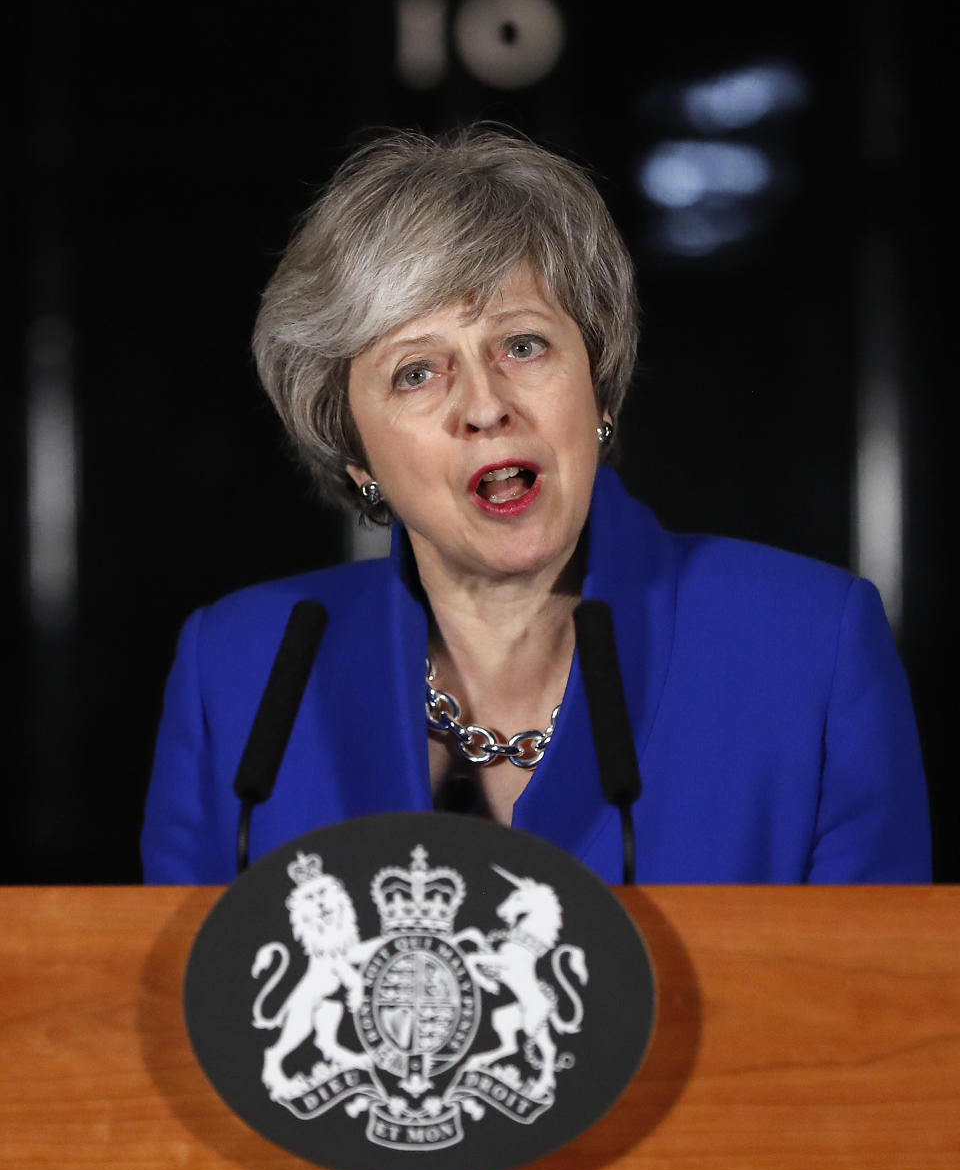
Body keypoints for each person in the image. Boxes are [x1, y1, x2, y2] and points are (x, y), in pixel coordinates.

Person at [141, 126, 930, 886]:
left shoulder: (809, 647)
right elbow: (178, 1004)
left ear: (598, 388)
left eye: (522, 346)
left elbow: (875, 1005)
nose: (485, 405)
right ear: (354, 449)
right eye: (417, 372)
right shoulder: (241, 672)